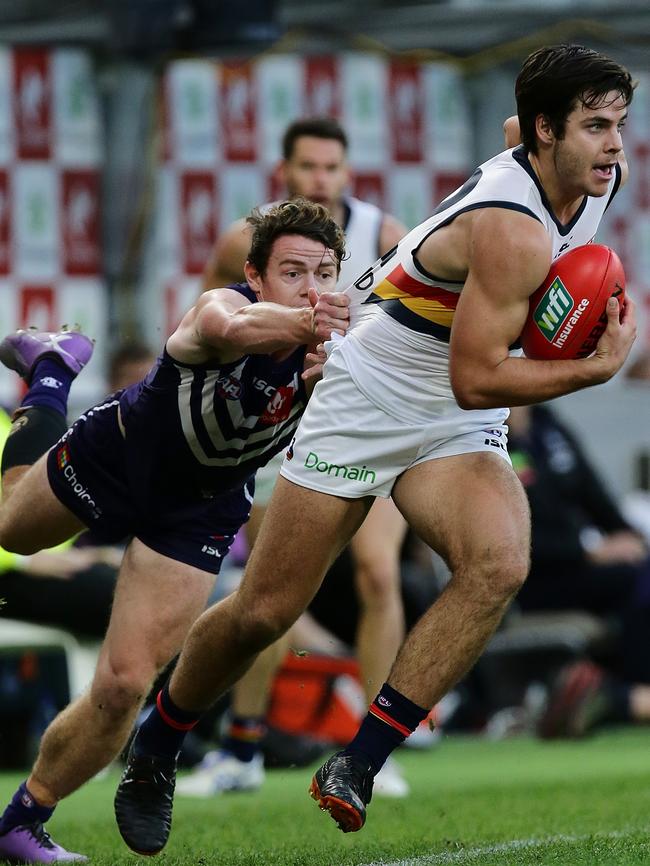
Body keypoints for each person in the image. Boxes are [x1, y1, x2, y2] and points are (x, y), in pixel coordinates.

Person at [114, 44, 637, 853]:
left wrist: (564, 131)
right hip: (375, 389)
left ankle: (357, 761)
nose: (614, 145)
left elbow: (511, 129)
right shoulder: (513, 229)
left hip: (449, 412)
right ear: (545, 132)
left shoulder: (585, 170)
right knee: (266, 610)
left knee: (498, 563)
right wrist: (592, 367)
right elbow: (478, 378)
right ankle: (158, 740)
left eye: (621, 125)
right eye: (596, 126)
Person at [0, 198, 349, 864]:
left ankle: (21, 820)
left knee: (126, 683)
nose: (312, 289)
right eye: (293, 272)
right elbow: (235, 326)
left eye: (325, 274)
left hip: (200, 507)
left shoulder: (331, 356)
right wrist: (305, 322)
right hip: (120, 456)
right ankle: (49, 372)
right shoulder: (220, 309)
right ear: (255, 274)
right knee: (12, 529)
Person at [178, 116, 411, 799]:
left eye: (332, 167)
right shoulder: (242, 241)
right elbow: (208, 319)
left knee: (376, 576)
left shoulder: (388, 237)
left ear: (347, 172)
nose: (320, 179)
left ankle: (373, 751)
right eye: (308, 167)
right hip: (277, 433)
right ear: (286, 172)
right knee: (268, 600)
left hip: (369, 428)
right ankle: (242, 753)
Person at [506, 403, 650, 738]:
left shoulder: (548, 425)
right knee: (634, 580)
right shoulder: (488, 435)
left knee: (639, 570)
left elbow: (593, 493)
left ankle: (620, 694)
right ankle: (628, 692)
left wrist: (629, 538)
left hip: (582, 568)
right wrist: (588, 552)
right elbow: (508, 537)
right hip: (533, 577)